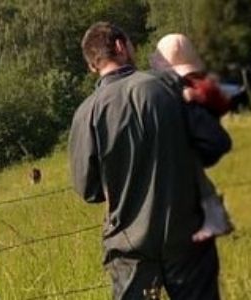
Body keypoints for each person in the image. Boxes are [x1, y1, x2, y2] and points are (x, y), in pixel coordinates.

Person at [69, 22, 230, 299]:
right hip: (187, 234)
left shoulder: (86, 115)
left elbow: (88, 189)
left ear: (92, 66)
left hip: (129, 246)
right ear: (120, 46)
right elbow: (214, 143)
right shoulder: (167, 86)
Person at [150, 33, 234, 242]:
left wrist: (194, 96)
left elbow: (214, 92)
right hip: (203, 140)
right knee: (195, 175)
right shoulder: (194, 82)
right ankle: (213, 216)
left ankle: (215, 218)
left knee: (196, 174)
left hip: (202, 140)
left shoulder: (192, 86)